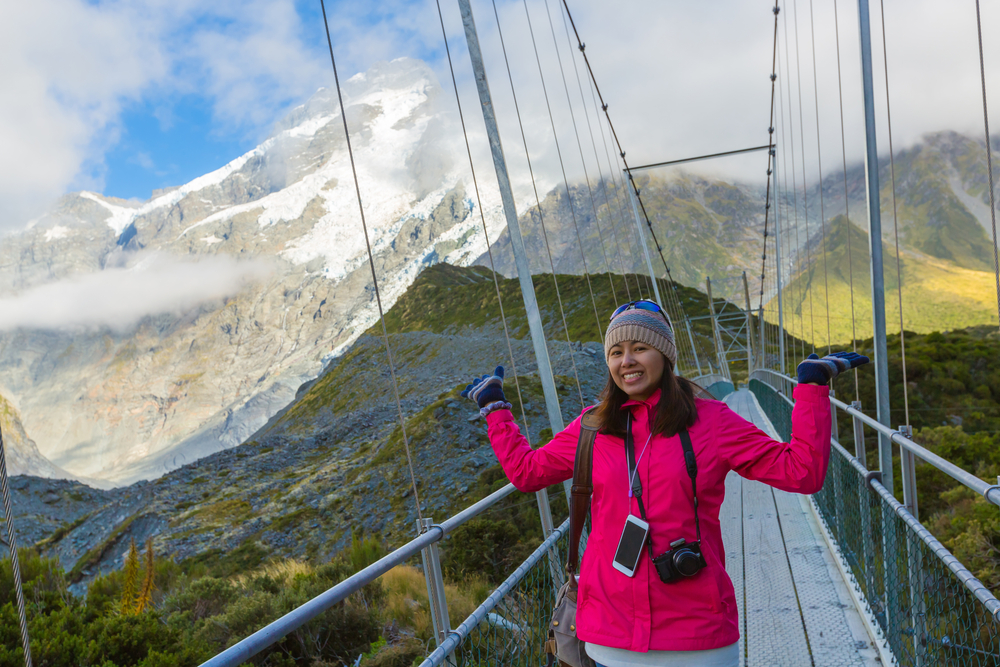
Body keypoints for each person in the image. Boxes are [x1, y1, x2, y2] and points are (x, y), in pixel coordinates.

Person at [462, 299, 868, 667]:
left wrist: (812, 390)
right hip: (610, 636)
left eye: (640, 347)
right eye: (616, 352)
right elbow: (527, 473)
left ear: (665, 354)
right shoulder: (592, 427)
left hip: (697, 636)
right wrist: (496, 409)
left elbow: (801, 471)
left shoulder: (712, 422)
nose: (627, 361)